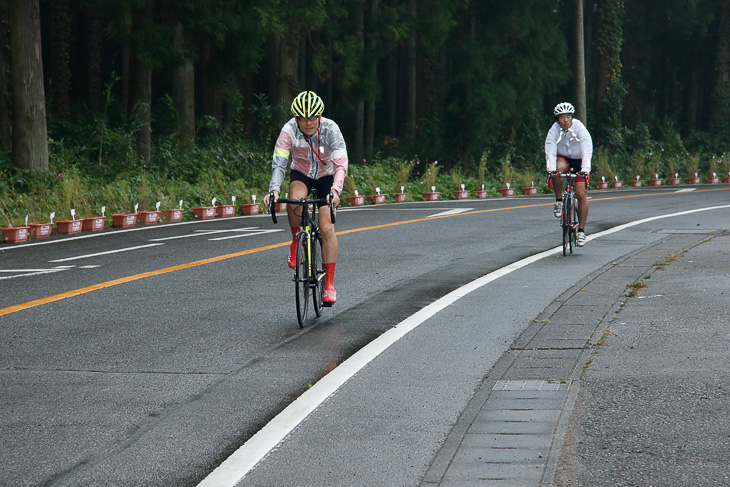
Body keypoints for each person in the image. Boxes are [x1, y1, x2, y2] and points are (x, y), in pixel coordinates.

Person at [263, 91, 348, 305]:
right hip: (302, 173)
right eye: (303, 118)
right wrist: (273, 190)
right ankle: (295, 241)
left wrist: (335, 191)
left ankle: (329, 285)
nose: (308, 123)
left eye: (312, 118)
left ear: (320, 116)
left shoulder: (331, 129)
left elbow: (340, 165)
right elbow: (279, 163)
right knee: (294, 200)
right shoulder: (288, 131)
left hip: (327, 176)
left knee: (326, 226)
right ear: (296, 119)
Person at [545, 102, 593, 247]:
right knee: (557, 170)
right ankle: (559, 200)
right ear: (557, 120)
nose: (565, 120)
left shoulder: (579, 128)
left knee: (580, 194)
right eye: (562, 118)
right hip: (564, 159)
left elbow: (587, 149)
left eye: (568, 117)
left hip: (579, 160)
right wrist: (551, 169)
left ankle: (581, 231)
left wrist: (584, 170)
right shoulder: (554, 130)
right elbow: (550, 149)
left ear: (572, 117)